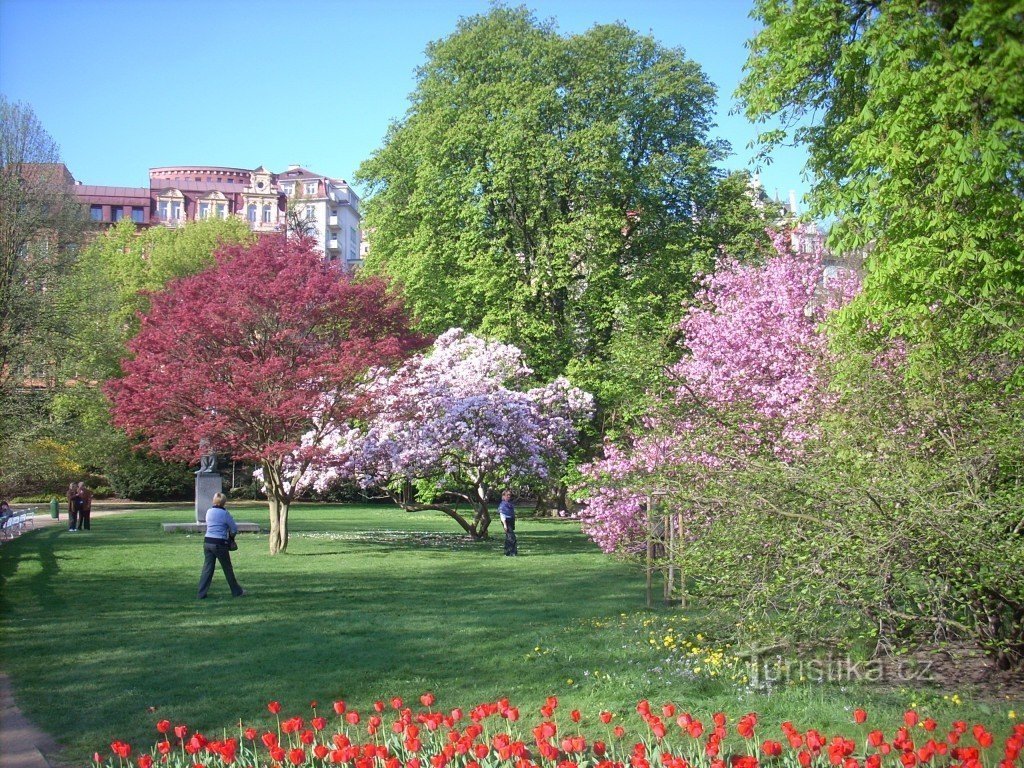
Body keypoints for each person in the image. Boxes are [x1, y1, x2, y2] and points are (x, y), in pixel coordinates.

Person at [197, 492, 245, 599]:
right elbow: (234, 529)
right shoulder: (225, 514)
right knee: (227, 568)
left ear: (213, 501)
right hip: (219, 543)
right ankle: (237, 591)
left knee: (207, 568)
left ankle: (201, 593)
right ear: (224, 502)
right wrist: (231, 537)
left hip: (207, 541)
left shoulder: (209, 511)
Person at [498, 489, 518, 557]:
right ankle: (511, 552)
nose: (509, 496)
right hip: (506, 522)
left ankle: (507, 552)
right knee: (512, 537)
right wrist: (505, 525)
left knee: (508, 537)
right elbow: (502, 515)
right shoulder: (502, 505)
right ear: (503, 496)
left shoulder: (509, 504)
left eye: (509, 495)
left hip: (511, 521)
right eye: (507, 495)